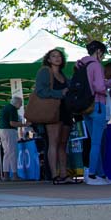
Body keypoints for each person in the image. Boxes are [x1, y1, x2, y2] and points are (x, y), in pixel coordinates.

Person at [34, 48, 74, 185]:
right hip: (52, 110)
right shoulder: (45, 72)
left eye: (59, 56)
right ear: (49, 59)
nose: (57, 58)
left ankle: (64, 174)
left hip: (66, 110)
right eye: (54, 56)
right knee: (53, 142)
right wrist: (59, 93)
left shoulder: (63, 75)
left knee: (63, 143)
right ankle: (55, 175)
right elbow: (40, 91)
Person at [76, 40, 111, 186]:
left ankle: (101, 174)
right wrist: (108, 85)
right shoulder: (96, 65)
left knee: (93, 141)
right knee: (97, 142)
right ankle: (91, 174)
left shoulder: (80, 65)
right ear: (98, 51)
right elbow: (99, 87)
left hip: (85, 107)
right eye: (102, 53)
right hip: (98, 104)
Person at [0, 94, 25, 181]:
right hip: (10, 131)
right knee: (13, 152)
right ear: (16, 103)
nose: (21, 105)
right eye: (20, 103)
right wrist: (24, 124)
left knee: (7, 153)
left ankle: (6, 175)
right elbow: (13, 123)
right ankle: (15, 175)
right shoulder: (12, 109)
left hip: (3, 130)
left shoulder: (6, 107)